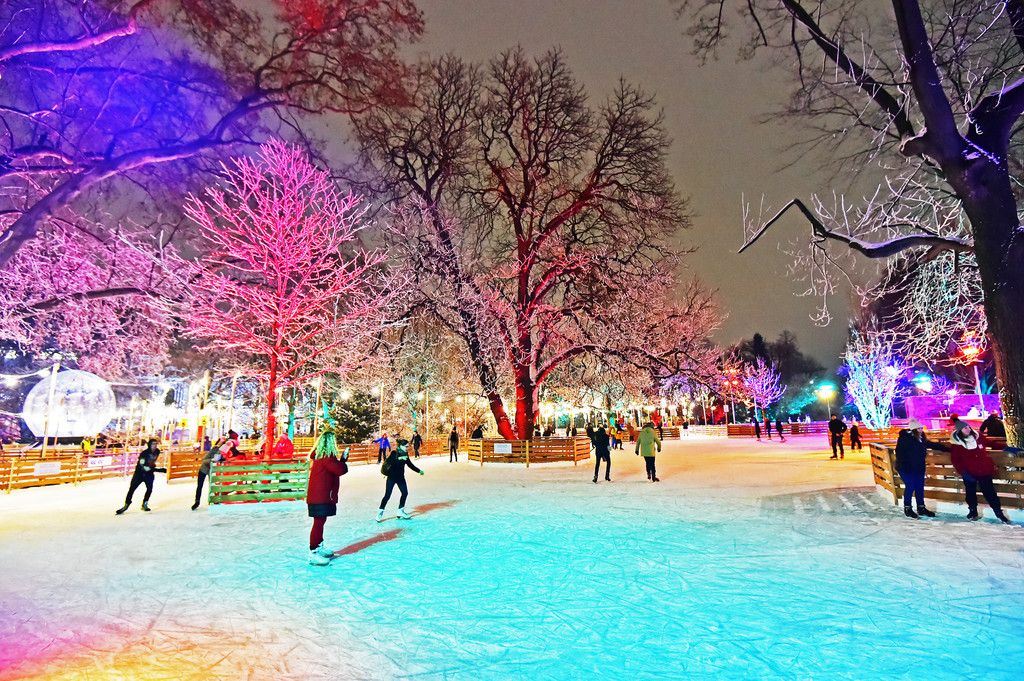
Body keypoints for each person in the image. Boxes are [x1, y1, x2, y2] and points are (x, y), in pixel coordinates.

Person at [947, 421, 1011, 523]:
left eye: (968, 427)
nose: (968, 429)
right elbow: (955, 460)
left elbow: (991, 444)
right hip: (969, 472)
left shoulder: (978, 437)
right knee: (970, 493)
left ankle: (998, 512)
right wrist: (964, 472)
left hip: (984, 470)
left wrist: (1007, 448)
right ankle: (973, 511)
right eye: (965, 428)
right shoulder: (957, 445)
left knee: (990, 492)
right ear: (959, 430)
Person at [305, 430, 350, 565]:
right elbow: (340, 470)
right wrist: (343, 460)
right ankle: (313, 552)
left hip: (319, 495)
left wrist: (341, 460)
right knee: (318, 523)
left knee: (320, 521)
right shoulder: (326, 458)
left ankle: (319, 546)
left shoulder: (322, 456)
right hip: (320, 496)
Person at [894, 419, 935, 519]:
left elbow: (931, 445)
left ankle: (921, 508)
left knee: (919, 486)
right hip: (905, 467)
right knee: (910, 485)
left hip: (918, 467)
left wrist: (949, 448)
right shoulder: (905, 438)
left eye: (921, 428)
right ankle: (907, 508)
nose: (921, 430)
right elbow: (899, 453)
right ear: (913, 429)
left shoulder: (921, 438)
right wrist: (906, 465)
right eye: (918, 428)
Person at [377, 440, 424, 522]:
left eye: (408, 446)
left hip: (401, 478)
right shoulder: (394, 453)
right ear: (400, 446)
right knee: (387, 496)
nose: (407, 448)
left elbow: (410, 465)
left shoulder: (405, 454)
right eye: (406, 446)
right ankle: (380, 512)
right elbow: (389, 462)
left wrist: (419, 471)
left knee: (405, 493)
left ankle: (400, 511)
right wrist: (400, 458)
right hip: (392, 477)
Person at [116, 439, 166, 514]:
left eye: (156, 444)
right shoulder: (144, 453)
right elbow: (142, 465)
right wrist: (158, 470)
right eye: (153, 444)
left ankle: (145, 503)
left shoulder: (157, 451)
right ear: (149, 445)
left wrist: (153, 466)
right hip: (139, 473)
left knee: (149, 489)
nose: (155, 445)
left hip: (149, 474)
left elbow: (151, 463)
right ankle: (126, 504)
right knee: (132, 489)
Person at [193, 436, 225, 510]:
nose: (220, 444)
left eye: (222, 442)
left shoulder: (223, 452)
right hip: (204, 468)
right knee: (200, 485)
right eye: (220, 441)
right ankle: (197, 501)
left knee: (212, 485)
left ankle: (214, 499)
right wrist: (213, 460)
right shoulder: (215, 448)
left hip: (213, 469)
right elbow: (205, 459)